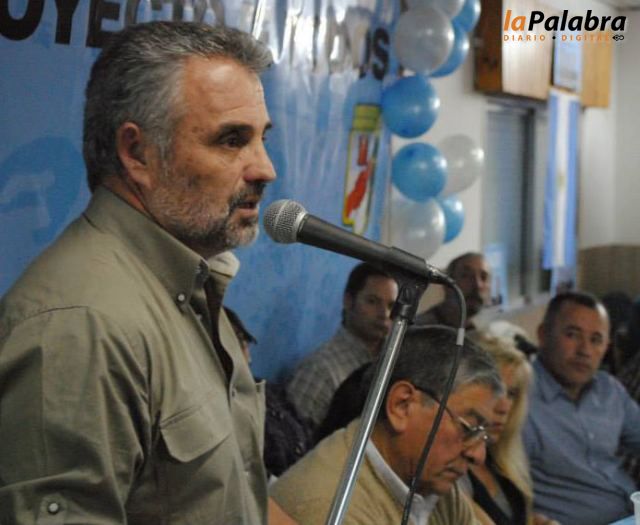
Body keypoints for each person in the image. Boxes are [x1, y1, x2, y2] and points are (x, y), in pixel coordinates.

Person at [0, 21, 291, 524]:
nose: (265, 169)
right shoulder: (81, 325)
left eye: (261, 138)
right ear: (137, 153)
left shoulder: (187, 279)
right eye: (231, 140)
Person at [271, 325, 504, 525]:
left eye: (482, 434)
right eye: (468, 428)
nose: (478, 455)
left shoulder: (427, 479)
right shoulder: (332, 508)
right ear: (402, 405)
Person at [523, 291, 640, 525]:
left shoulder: (609, 390)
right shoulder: (520, 400)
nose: (585, 350)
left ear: (606, 347)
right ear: (543, 335)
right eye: (572, 335)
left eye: (596, 340)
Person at [286, 262, 398, 428]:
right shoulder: (320, 370)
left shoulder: (395, 363)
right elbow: (294, 440)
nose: (384, 314)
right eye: (372, 301)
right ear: (348, 301)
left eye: (391, 306)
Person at [462, 335, 556, 525]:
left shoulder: (501, 460)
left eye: (512, 393)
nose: (504, 407)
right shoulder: (448, 470)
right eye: (496, 390)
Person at [224, 306, 313, 479]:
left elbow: (306, 434)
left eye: (243, 342)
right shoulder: (217, 407)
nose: (244, 353)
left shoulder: (268, 391)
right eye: (232, 343)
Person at [415, 252, 491, 331]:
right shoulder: (420, 329)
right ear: (447, 285)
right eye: (466, 275)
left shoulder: (482, 331)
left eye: (484, 277)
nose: (478, 284)